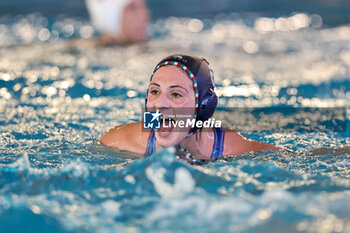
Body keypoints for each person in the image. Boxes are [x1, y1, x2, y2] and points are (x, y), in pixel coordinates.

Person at [100, 54, 280, 164]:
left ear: (203, 107)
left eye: (176, 94)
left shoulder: (232, 149)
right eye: (155, 91)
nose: (159, 103)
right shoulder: (118, 142)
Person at [77, 0, 150, 47]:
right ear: (110, 15)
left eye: (143, 5)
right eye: (133, 8)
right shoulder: (80, 50)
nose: (145, 14)